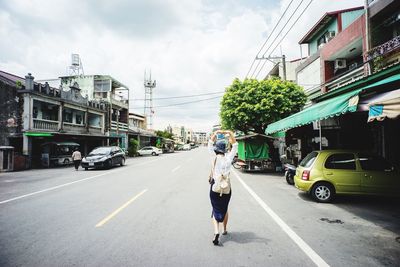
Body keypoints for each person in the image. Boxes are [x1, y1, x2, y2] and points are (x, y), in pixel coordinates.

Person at [208, 129, 238, 245]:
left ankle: (216, 231)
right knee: (224, 209)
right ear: (225, 150)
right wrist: (230, 133)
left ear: (216, 150)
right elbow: (235, 145)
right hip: (226, 189)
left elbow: (210, 143)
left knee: (215, 210)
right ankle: (224, 229)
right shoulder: (228, 158)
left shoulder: (213, 157)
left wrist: (216, 133)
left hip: (215, 188)